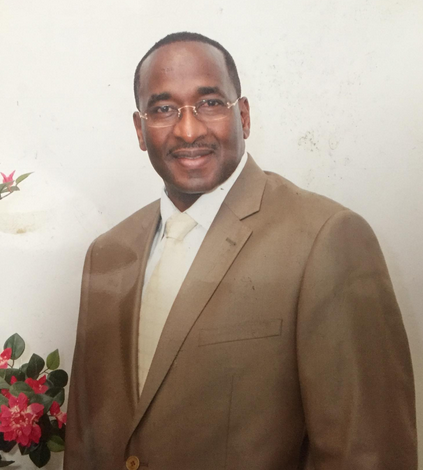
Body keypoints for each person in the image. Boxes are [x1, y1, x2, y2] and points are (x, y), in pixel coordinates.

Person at [65, 32, 417, 470]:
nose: (188, 130)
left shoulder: (326, 238)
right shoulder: (107, 254)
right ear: (140, 129)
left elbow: (369, 453)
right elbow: (85, 442)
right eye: (163, 109)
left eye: (210, 103)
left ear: (244, 116)